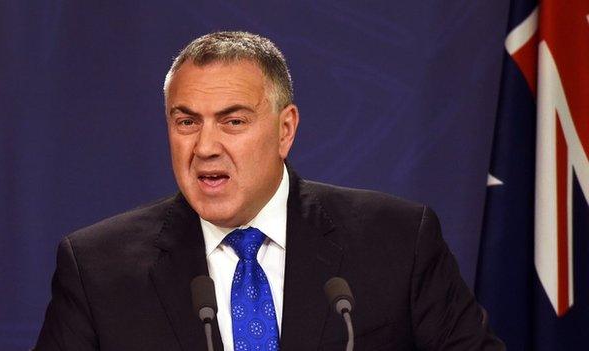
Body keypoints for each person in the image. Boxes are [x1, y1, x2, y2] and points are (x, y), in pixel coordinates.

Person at [35, 31, 504, 351]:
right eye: (186, 122)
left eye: (233, 121)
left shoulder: (397, 240)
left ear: (285, 130)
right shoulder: (97, 268)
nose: (205, 147)